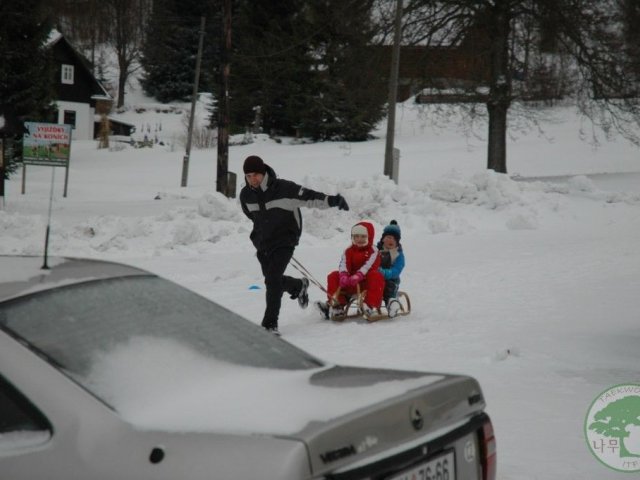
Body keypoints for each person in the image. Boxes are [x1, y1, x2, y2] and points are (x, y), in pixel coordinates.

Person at [239, 155, 350, 334]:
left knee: (273, 279)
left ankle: (269, 325)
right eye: (249, 176)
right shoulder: (246, 196)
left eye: (256, 175)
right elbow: (252, 216)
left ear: (264, 172)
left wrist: (333, 200)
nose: (253, 179)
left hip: (285, 240)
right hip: (263, 244)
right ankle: (298, 286)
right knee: (271, 282)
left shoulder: (284, 188)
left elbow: (310, 197)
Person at [316, 221, 384, 319]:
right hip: (350, 283)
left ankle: (368, 305)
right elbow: (344, 264)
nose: (359, 239)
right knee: (334, 276)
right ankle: (337, 305)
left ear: (369, 237)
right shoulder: (348, 250)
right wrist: (344, 275)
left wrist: (359, 275)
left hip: (365, 284)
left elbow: (369, 266)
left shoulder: (373, 251)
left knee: (376, 276)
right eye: (356, 236)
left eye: (363, 236)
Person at [376, 220, 405, 318]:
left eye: (394, 239)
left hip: (391, 279)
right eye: (388, 237)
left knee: (389, 289)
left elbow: (398, 269)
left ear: (397, 242)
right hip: (376, 277)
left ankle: (392, 304)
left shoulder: (398, 254)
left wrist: (386, 273)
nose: (391, 240)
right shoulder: (376, 250)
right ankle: (368, 304)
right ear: (383, 239)